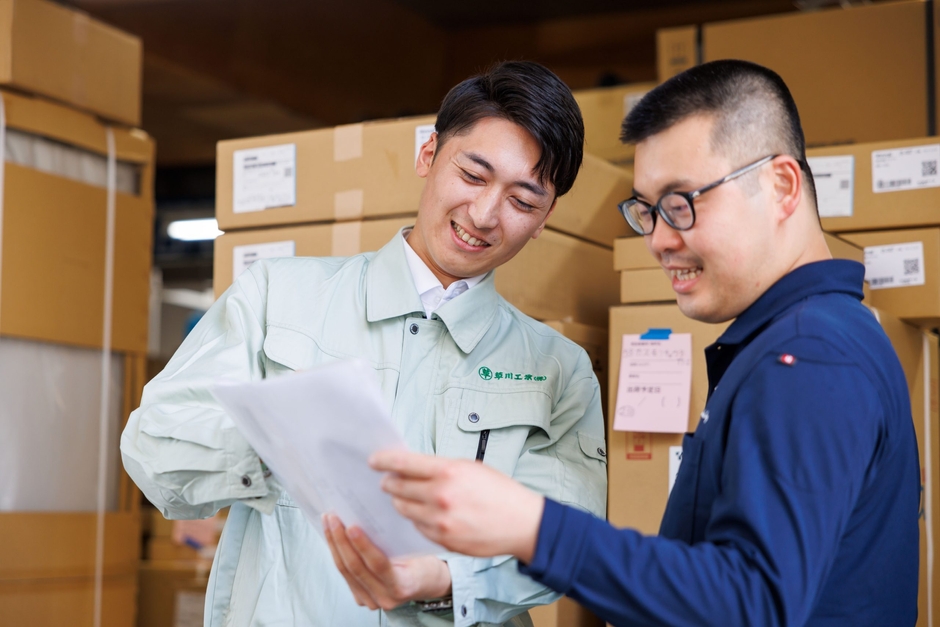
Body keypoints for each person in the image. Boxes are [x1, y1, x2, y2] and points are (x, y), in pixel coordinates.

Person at [365, 59, 920, 626]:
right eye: (648, 212)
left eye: (682, 204)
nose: (658, 240)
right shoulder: (802, 343)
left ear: (780, 186)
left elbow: (752, 605)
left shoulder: (806, 358)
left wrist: (531, 525)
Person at [120, 60, 608, 627]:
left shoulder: (559, 369)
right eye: (472, 175)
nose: (484, 214)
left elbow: (565, 541)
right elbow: (153, 448)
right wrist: (276, 446)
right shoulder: (276, 296)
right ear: (429, 154)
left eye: (523, 201)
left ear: (546, 217)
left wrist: (446, 579)